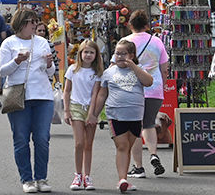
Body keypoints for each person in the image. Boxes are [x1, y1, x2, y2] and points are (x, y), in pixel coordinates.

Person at [0, 8, 56, 193]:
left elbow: (51, 72)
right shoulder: (8, 43)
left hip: (43, 95)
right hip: (18, 94)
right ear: (21, 23)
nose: (35, 25)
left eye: (35, 21)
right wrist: (17, 61)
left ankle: (41, 177)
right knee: (21, 139)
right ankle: (27, 179)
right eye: (31, 22)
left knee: (42, 139)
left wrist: (49, 64)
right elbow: (1, 71)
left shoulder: (42, 43)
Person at [91, 38, 153, 193]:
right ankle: (122, 179)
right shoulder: (108, 72)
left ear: (131, 55)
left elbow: (149, 82)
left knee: (128, 146)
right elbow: (101, 95)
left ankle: (124, 178)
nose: (119, 56)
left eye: (123, 53)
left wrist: (134, 67)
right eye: (117, 53)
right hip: (116, 114)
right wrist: (94, 115)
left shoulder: (139, 70)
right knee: (122, 146)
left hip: (136, 115)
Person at [121, 10, 168, 179]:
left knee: (135, 127)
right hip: (154, 88)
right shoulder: (157, 41)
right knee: (148, 124)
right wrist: (161, 83)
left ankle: (138, 167)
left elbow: (117, 65)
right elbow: (164, 68)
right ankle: (153, 153)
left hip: (133, 89)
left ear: (130, 25)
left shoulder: (125, 42)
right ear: (147, 25)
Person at [64, 40, 104, 191]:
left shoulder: (97, 73)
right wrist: (66, 110)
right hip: (75, 107)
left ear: (96, 55)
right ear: (80, 53)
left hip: (90, 108)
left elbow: (95, 94)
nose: (88, 55)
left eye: (91, 52)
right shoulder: (73, 70)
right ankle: (78, 174)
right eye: (85, 52)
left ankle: (87, 175)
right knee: (79, 143)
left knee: (88, 144)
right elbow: (67, 91)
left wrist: (92, 114)